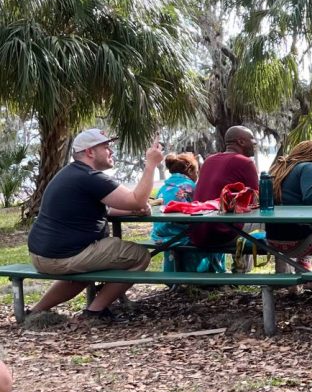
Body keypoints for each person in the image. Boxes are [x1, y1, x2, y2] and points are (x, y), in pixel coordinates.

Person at [26, 129, 164, 322]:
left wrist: (133, 209)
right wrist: (151, 165)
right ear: (90, 152)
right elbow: (136, 200)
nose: (111, 152)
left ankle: (36, 312)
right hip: (66, 256)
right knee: (139, 256)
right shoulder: (90, 177)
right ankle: (95, 312)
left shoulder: (70, 174)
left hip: (42, 255)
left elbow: (107, 208)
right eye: (106, 147)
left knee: (88, 269)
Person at [266, 140, 312, 273]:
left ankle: (304, 267)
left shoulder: (280, 168)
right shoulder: (309, 167)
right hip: (298, 239)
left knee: (311, 222)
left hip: (273, 239)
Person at [152, 152, 224, 273]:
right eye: (196, 172)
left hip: (160, 235)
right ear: (190, 171)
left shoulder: (163, 187)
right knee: (217, 237)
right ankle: (214, 273)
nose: (197, 176)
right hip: (181, 234)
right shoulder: (189, 187)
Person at [191, 125, 259, 247]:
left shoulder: (209, 160)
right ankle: (240, 266)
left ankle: (239, 265)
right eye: (252, 139)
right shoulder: (245, 162)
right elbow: (257, 201)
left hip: (196, 232)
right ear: (241, 142)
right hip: (221, 233)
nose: (255, 143)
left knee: (242, 215)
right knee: (277, 226)